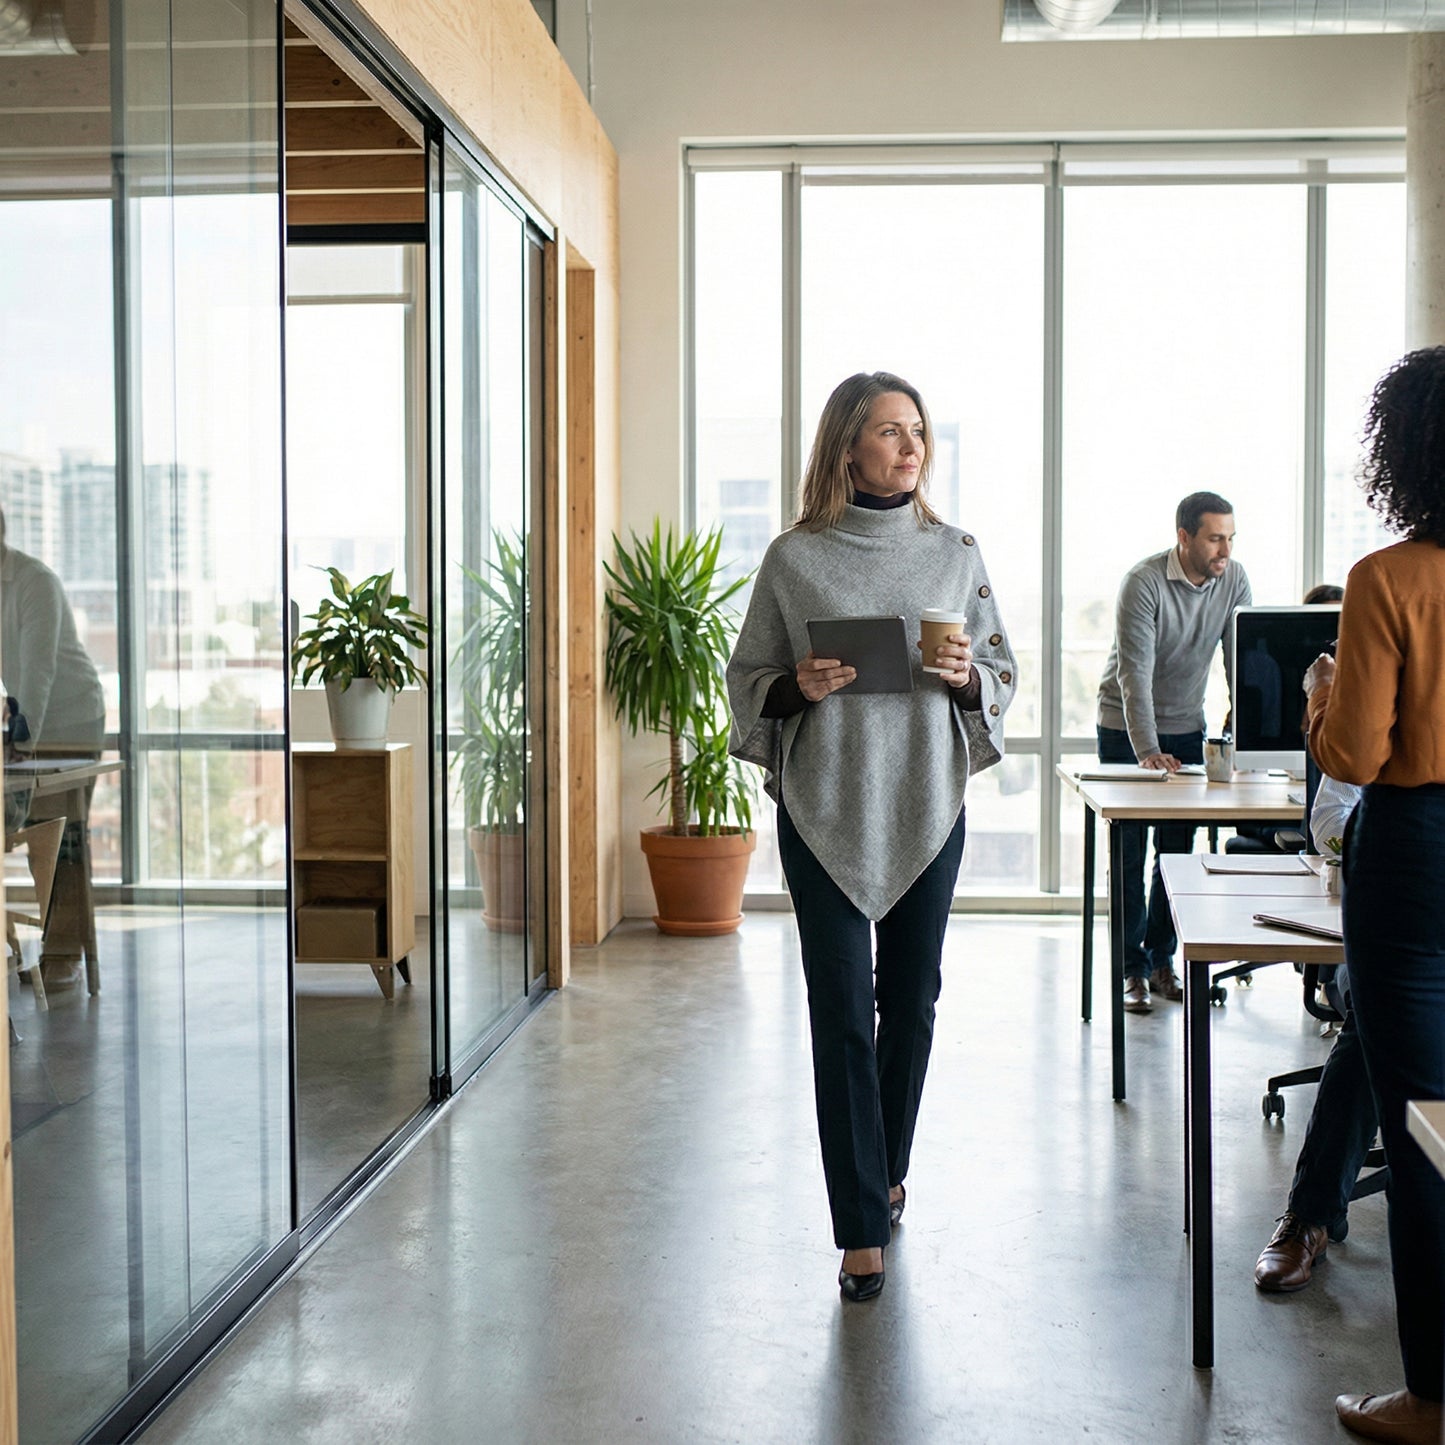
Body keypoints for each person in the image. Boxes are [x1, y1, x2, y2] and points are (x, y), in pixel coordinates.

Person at [727, 371, 1016, 1302]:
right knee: (841, 1010)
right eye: (889, 432)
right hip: (824, 806)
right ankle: (859, 1227)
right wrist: (795, 687)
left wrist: (969, 677)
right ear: (847, 445)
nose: (909, 447)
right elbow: (749, 680)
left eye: (918, 432)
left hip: (926, 802)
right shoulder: (794, 557)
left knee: (914, 1001)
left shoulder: (955, 551)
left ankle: (884, 1168)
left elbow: (1000, 671)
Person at [1303, 346, 1445, 1445]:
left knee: (1418, 1128)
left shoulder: (1386, 580)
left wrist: (1317, 704)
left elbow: (1351, 752)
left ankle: (1430, 1396)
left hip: (1415, 855)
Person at [1096, 492, 1252, 1013]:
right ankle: (1130, 971)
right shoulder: (1144, 583)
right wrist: (1147, 750)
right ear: (1184, 537)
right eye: (1214, 538)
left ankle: (1162, 959)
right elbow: (1133, 675)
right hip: (1126, 728)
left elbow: (1240, 659)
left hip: (1187, 725)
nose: (1224, 549)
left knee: (1177, 855)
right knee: (1129, 854)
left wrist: (1243, 728)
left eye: (1230, 537)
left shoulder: (1234, 580)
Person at [1252, 769, 1373, 1294]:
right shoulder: (1385, 724)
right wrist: (1395, 843)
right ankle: (1312, 1216)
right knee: (1374, 1021)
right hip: (1384, 931)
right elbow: (1326, 820)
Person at [0, 508, 105, 989]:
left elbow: (37, 671)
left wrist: (20, 739)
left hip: (71, 720)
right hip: (29, 719)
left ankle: (63, 953)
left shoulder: (32, 582)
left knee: (56, 840)